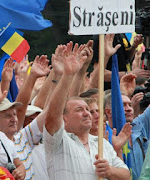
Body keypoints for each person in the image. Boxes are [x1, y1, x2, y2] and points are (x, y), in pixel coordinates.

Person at [42, 42, 130, 180]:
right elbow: (53, 114)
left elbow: (126, 175)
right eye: (79, 110)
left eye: (87, 109)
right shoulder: (58, 142)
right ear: (64, 118)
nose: (87, 113)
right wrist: (67, 75)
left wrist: (109, 171)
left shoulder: (102, 144)